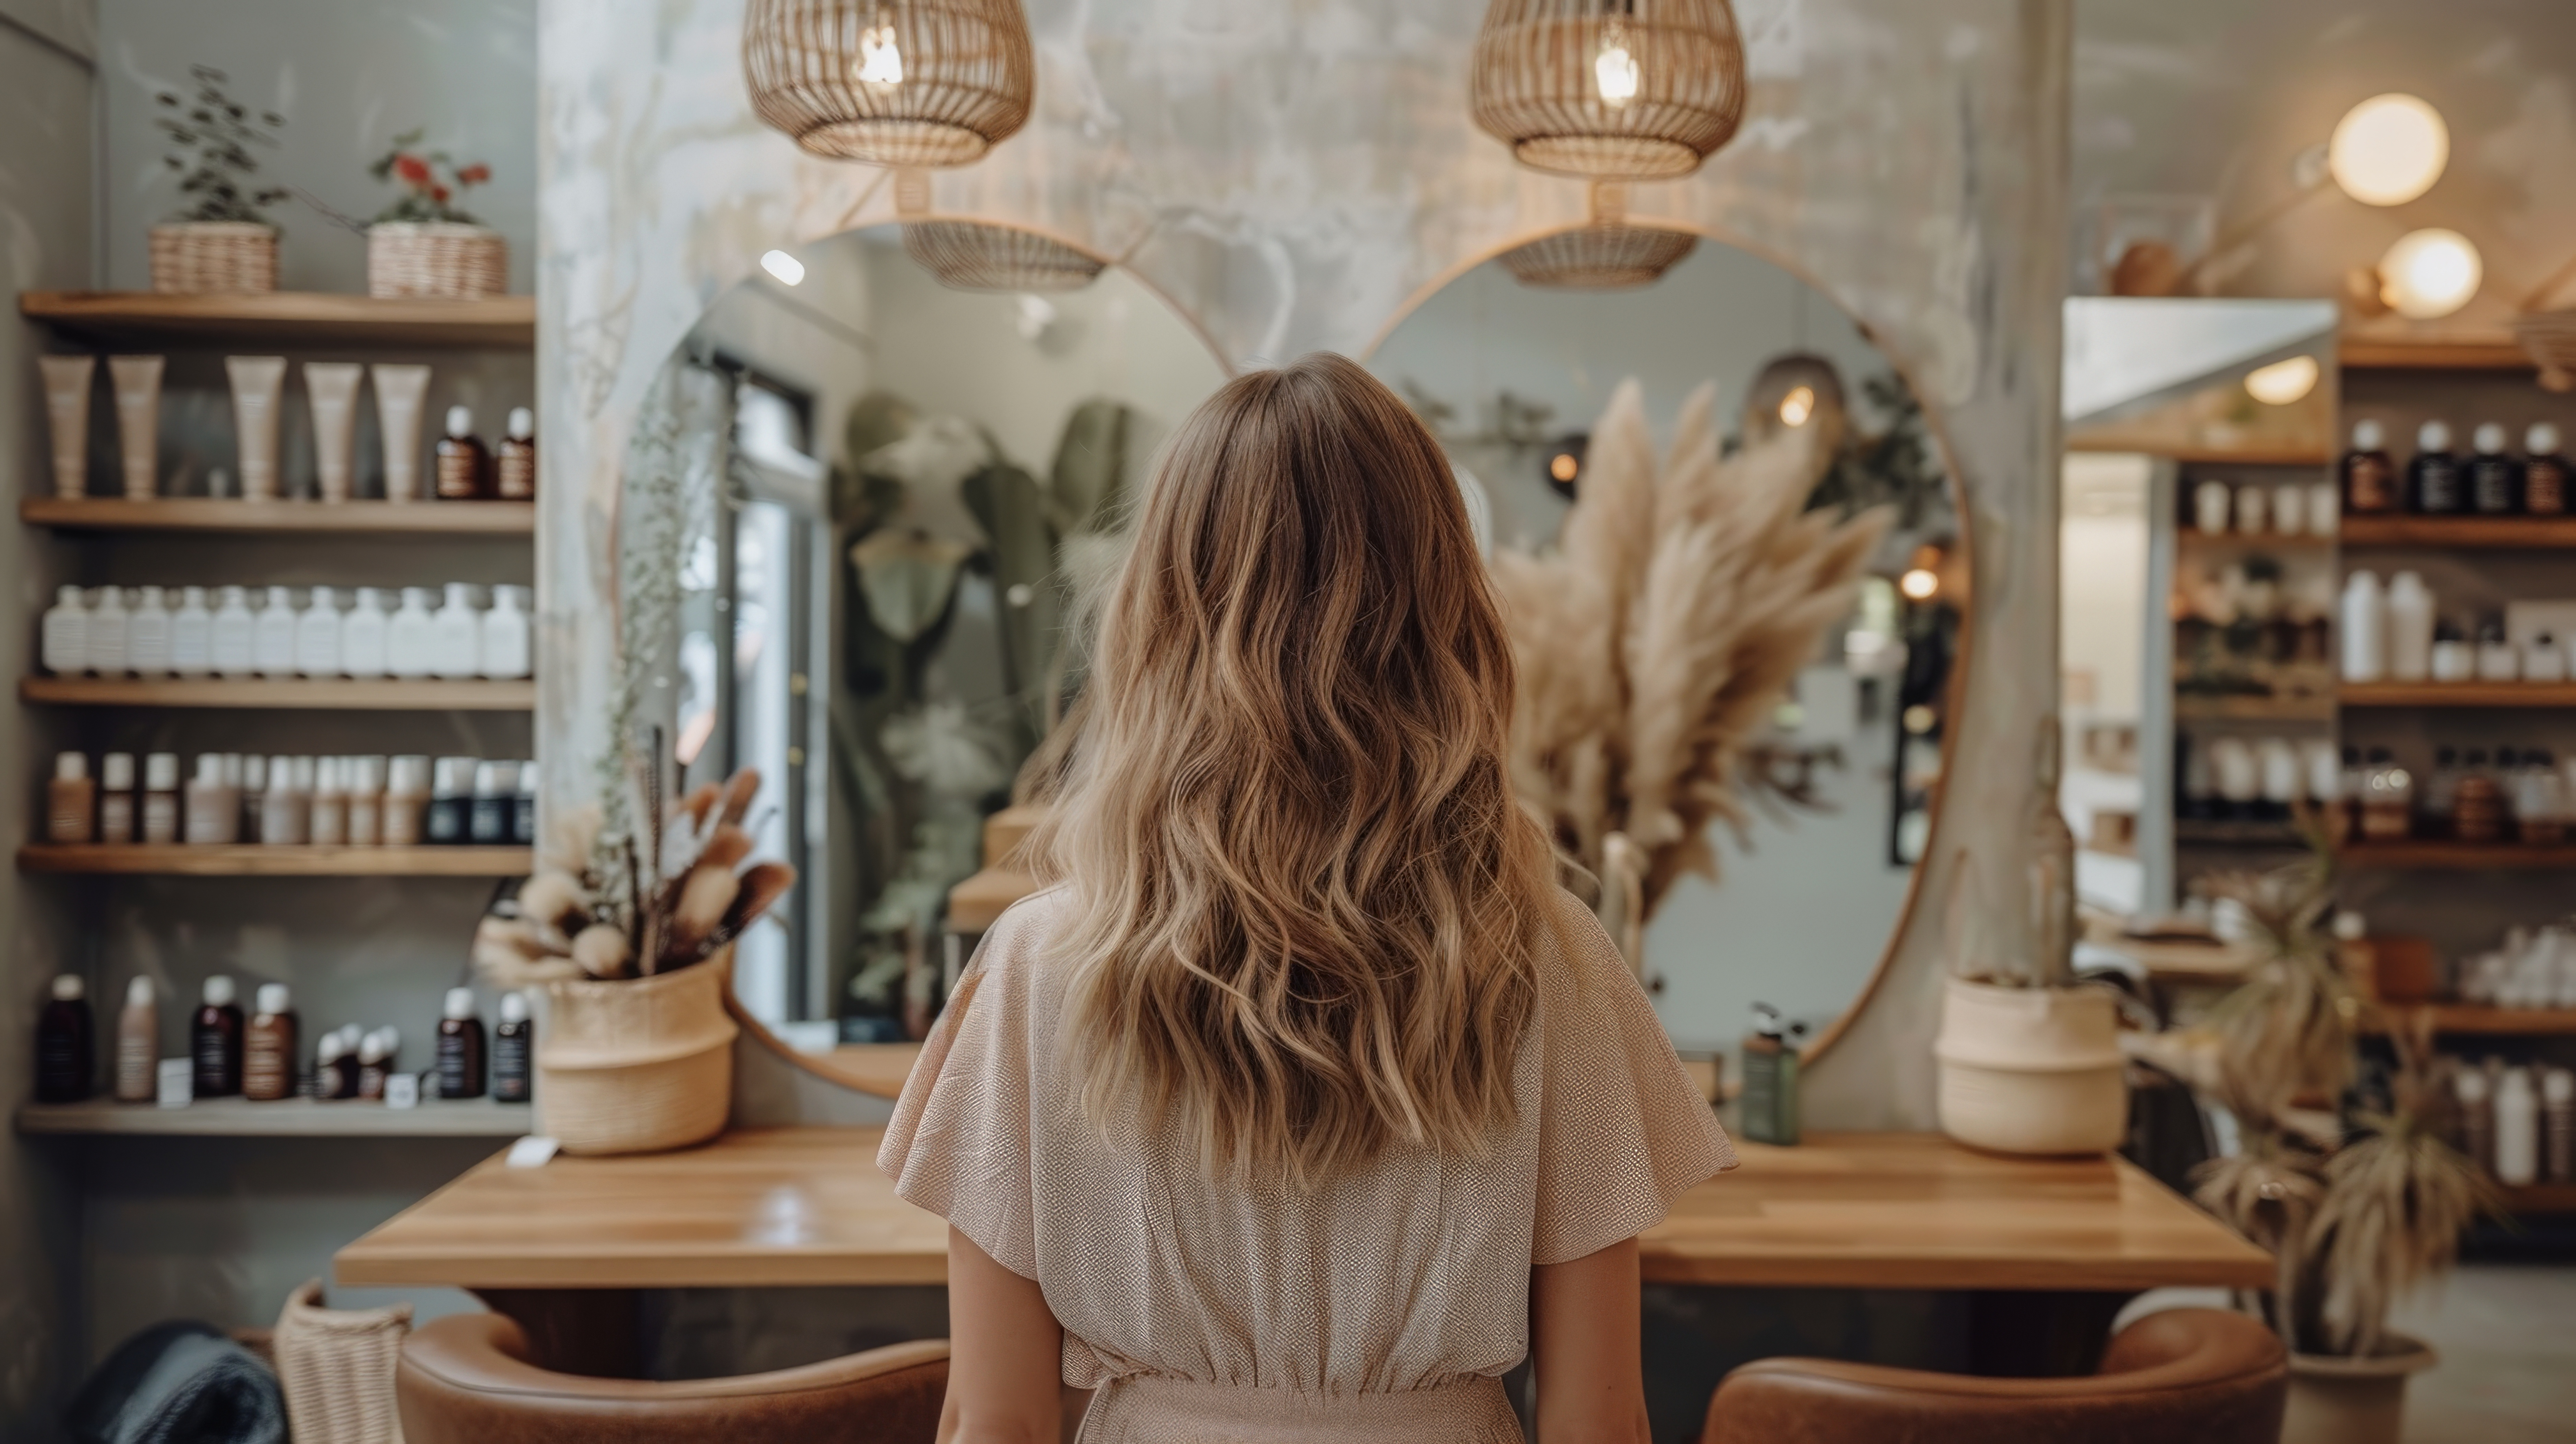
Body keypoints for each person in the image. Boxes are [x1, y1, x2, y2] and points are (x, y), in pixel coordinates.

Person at [881, 352, 1734, 1443]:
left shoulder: (1040, 963)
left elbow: (996, 1423)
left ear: (1159, 618)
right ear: (1446, 618)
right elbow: (1599, 1422)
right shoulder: (1547, 955)